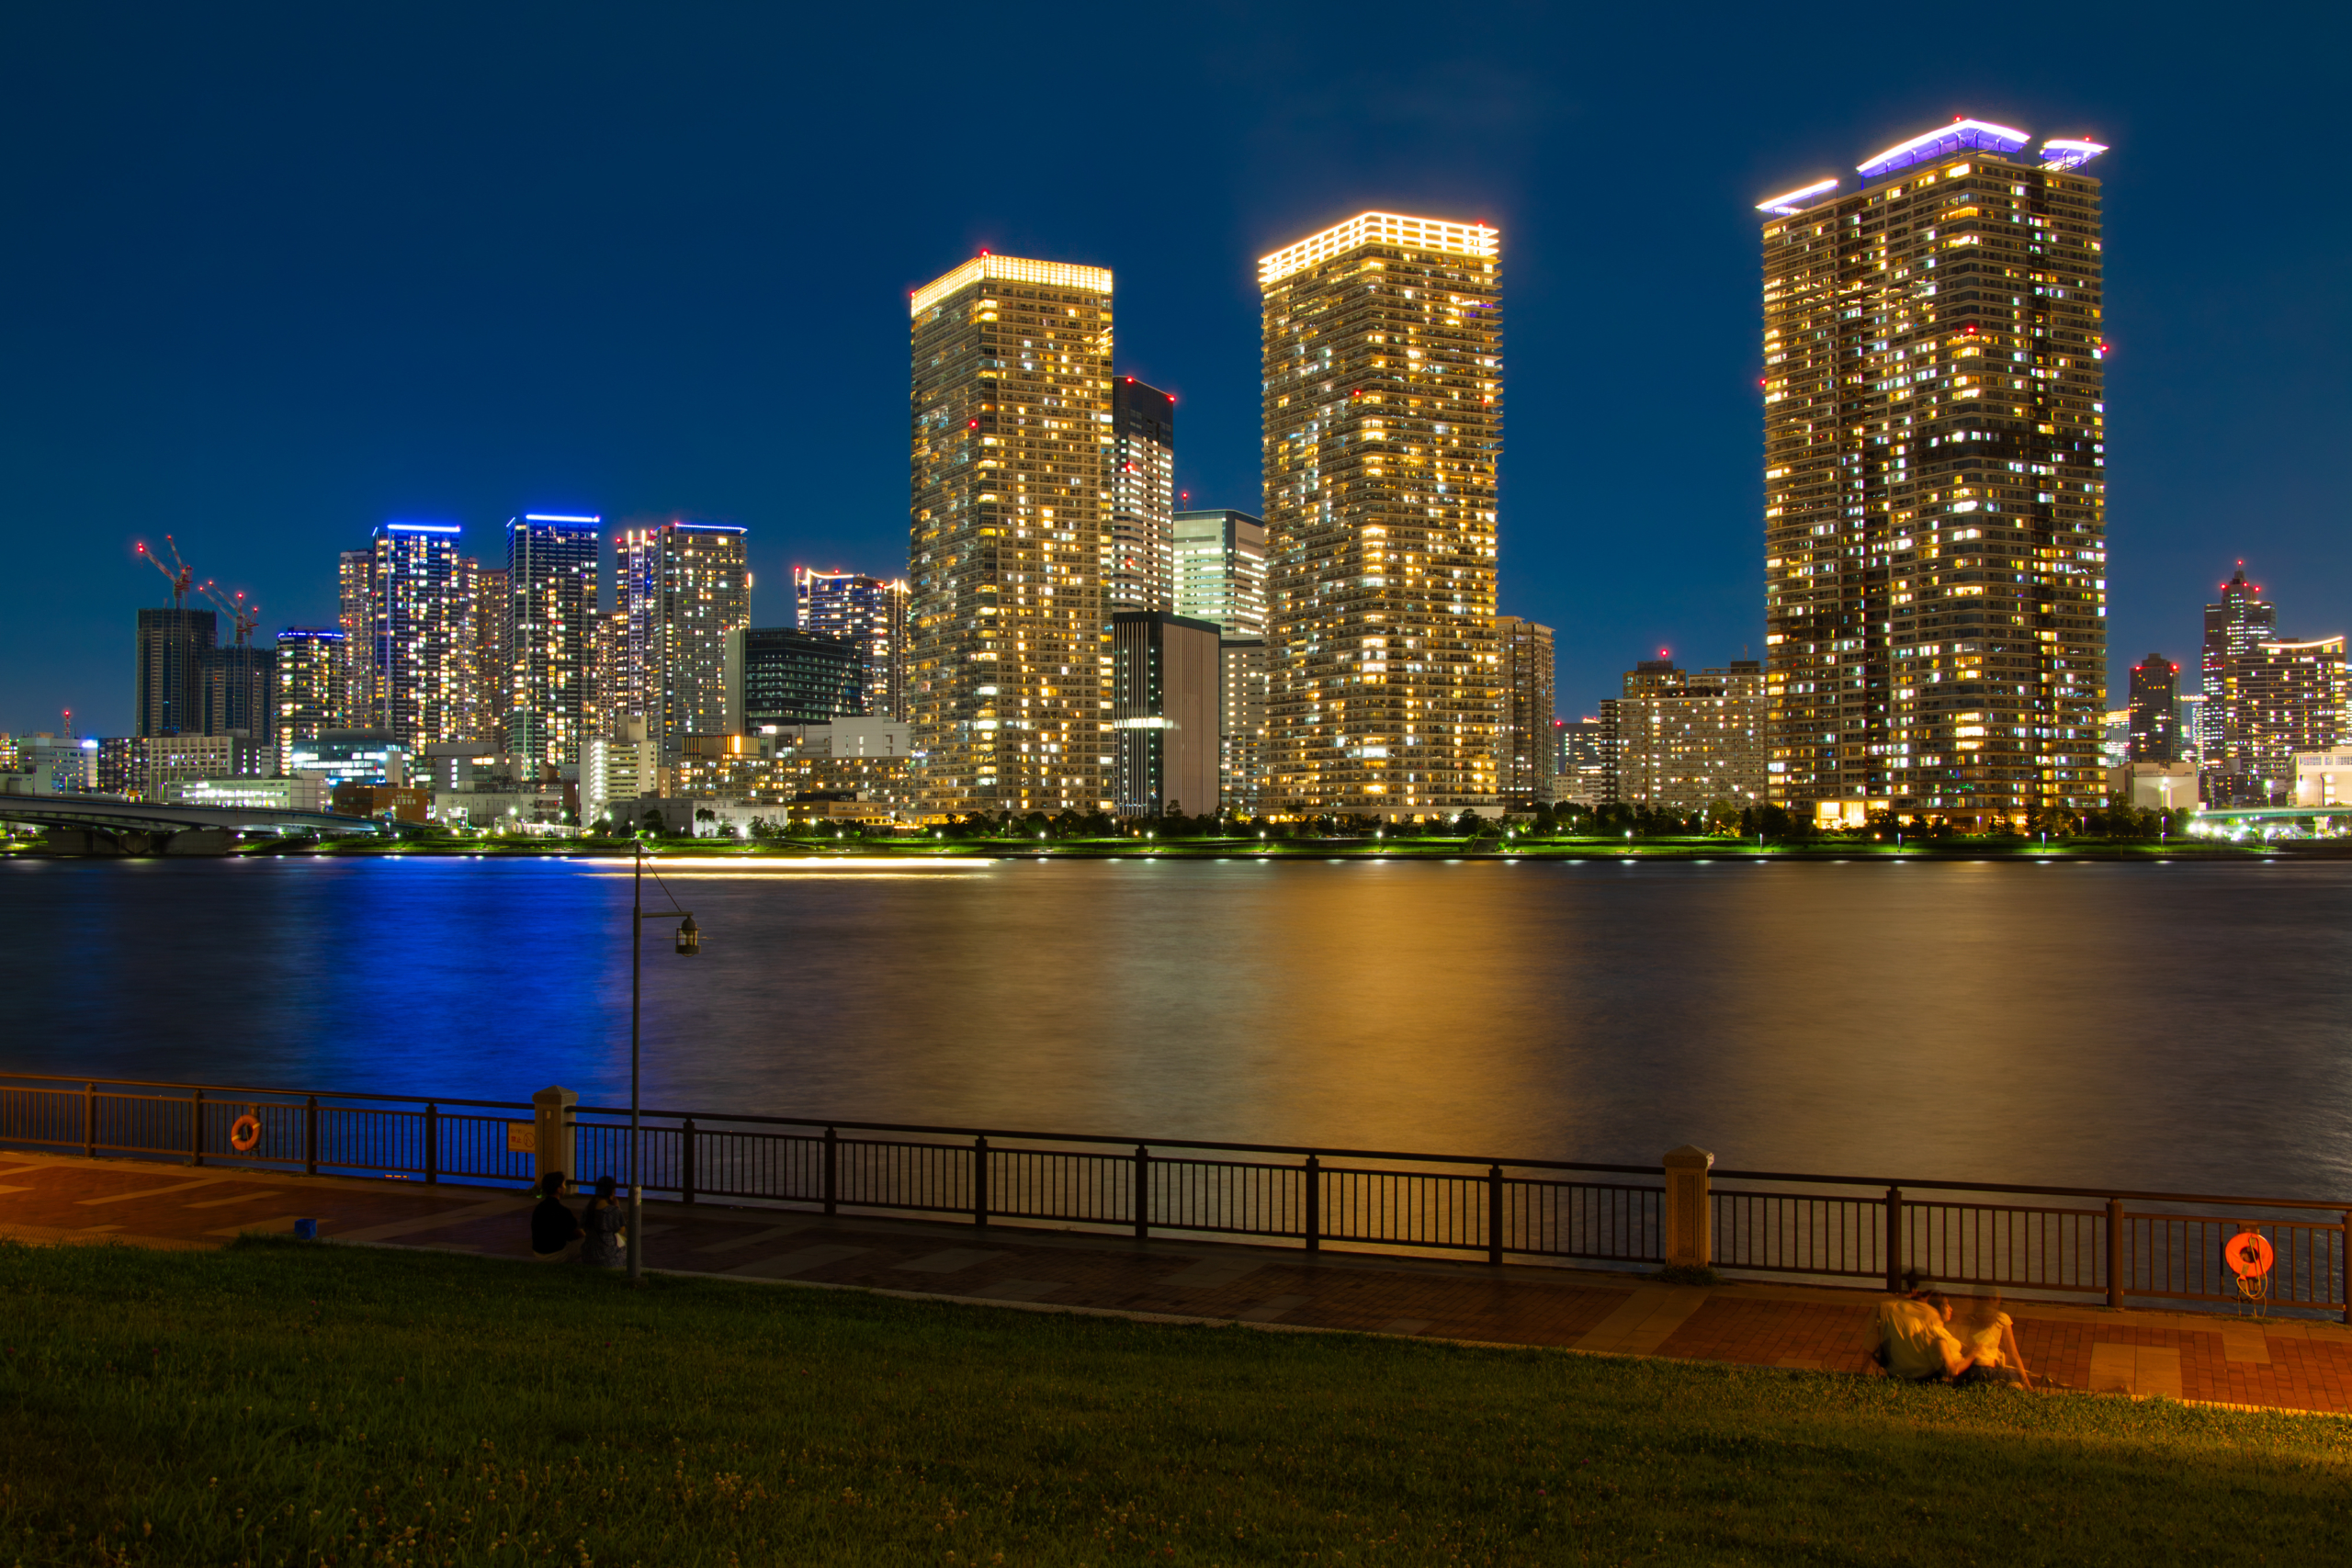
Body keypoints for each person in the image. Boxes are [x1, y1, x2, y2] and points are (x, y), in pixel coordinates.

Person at [1870, 1287, 1975, 1382]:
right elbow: (1952, 1370)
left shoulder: (1929, 1330)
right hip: (1963, 1369)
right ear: (1937, 1310)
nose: (1951, 1309)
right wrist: (1973, 1354)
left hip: (1959, 1365)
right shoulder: (1937, 1335)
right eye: (1946, 1305)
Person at [1953, 1293, 2034, 1388]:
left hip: (1967, 1371)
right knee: (2015, 1378)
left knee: (2012, 1375)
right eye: (1995, 1298)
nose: (1998, 1301)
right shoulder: (2000, 1319)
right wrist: (2027, 1383)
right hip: (1983, 1370)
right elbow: (2013, 1354)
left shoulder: (1965, 1320)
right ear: (1987, 1299)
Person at [529, 1171, 582, 1262]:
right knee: (588, 1241)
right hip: (556, 1255)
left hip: (538, 1254)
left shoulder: (539, 1208)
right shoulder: (562, 1211)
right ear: (559, 1189)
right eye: (564, 1185)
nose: (565, 1187)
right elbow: (575, 1234)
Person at [579, 1174, 627, 1269]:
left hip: (588, 1257)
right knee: (629, 1251)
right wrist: (617, 1207)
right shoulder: (612, 1211)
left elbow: (582, 1226)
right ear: (612, 1192)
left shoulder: (588, 1209)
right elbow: (621, 1230)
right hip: (607, 1259)